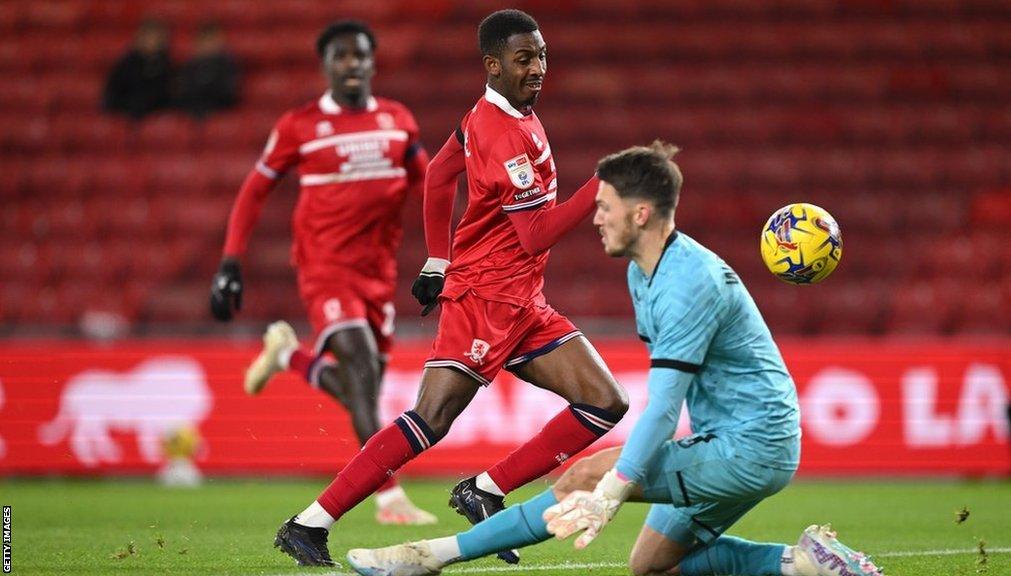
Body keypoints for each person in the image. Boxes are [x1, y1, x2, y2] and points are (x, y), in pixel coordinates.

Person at [346, 142, 883, 576]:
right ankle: (808, 565)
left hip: (750, 446)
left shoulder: (688, 285)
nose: (594, 218)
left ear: (641, 212)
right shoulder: (642, 268)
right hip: (737, 438)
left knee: (584, 476)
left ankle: (428, 558)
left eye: (605, 207)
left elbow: (664, 410)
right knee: (651, 564)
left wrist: (612, 488)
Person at [270, 9, 629, 567]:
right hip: (485, 299)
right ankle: (308, 524)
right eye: (523, 58)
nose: (537, 67)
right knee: (430, 420)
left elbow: (439, 174)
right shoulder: (502, 132)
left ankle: (485, 489)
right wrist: (600, 186)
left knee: (606, 401)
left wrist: (437, 257)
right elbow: (534, 234)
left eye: (541, 55)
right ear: (492, 65)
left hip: (524, 301)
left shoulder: (498, 115)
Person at [209, 20, 435, 527]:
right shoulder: (301, 125)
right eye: (341, 56)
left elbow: (430, 186)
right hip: (324, 268)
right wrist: (230, 259)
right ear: (326, 65)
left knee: (363, 386)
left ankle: (288, 354)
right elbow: (254, 189)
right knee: (359, 371)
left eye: (360, 55)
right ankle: (389, 498)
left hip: (378, 273)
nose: (352, 64)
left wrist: (445, 251)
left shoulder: (398, 121)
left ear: (373, 63)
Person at [102, 18, 174, 119]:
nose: (151, 41)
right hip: (124, 116)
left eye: (155, 37)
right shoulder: (125, 65)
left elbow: (168, 100)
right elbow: (112, 95)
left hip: (154, 120)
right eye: (147, 36)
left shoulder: (167, 67)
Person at [177, 21, 240, 118]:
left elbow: (229, 94)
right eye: (205, 40)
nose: (209, 45)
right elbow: (183, 93)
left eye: (212, 40)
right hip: (192, 112)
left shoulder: (228, 65)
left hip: (221, 112)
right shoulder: (190, 66)